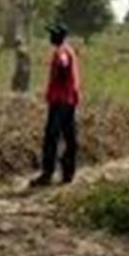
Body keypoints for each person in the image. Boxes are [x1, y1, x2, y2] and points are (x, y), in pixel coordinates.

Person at [30, 22, 81, 187]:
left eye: (53, 34)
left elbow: (63, 64)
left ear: (61, 36)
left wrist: (60, 79)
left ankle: (47, 173)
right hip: (70, 101)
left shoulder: (61, 51)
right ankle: (68, 173)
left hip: (59, 101)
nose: (50, 37)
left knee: (51, 138)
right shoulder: (69, 49)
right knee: (69, 137)